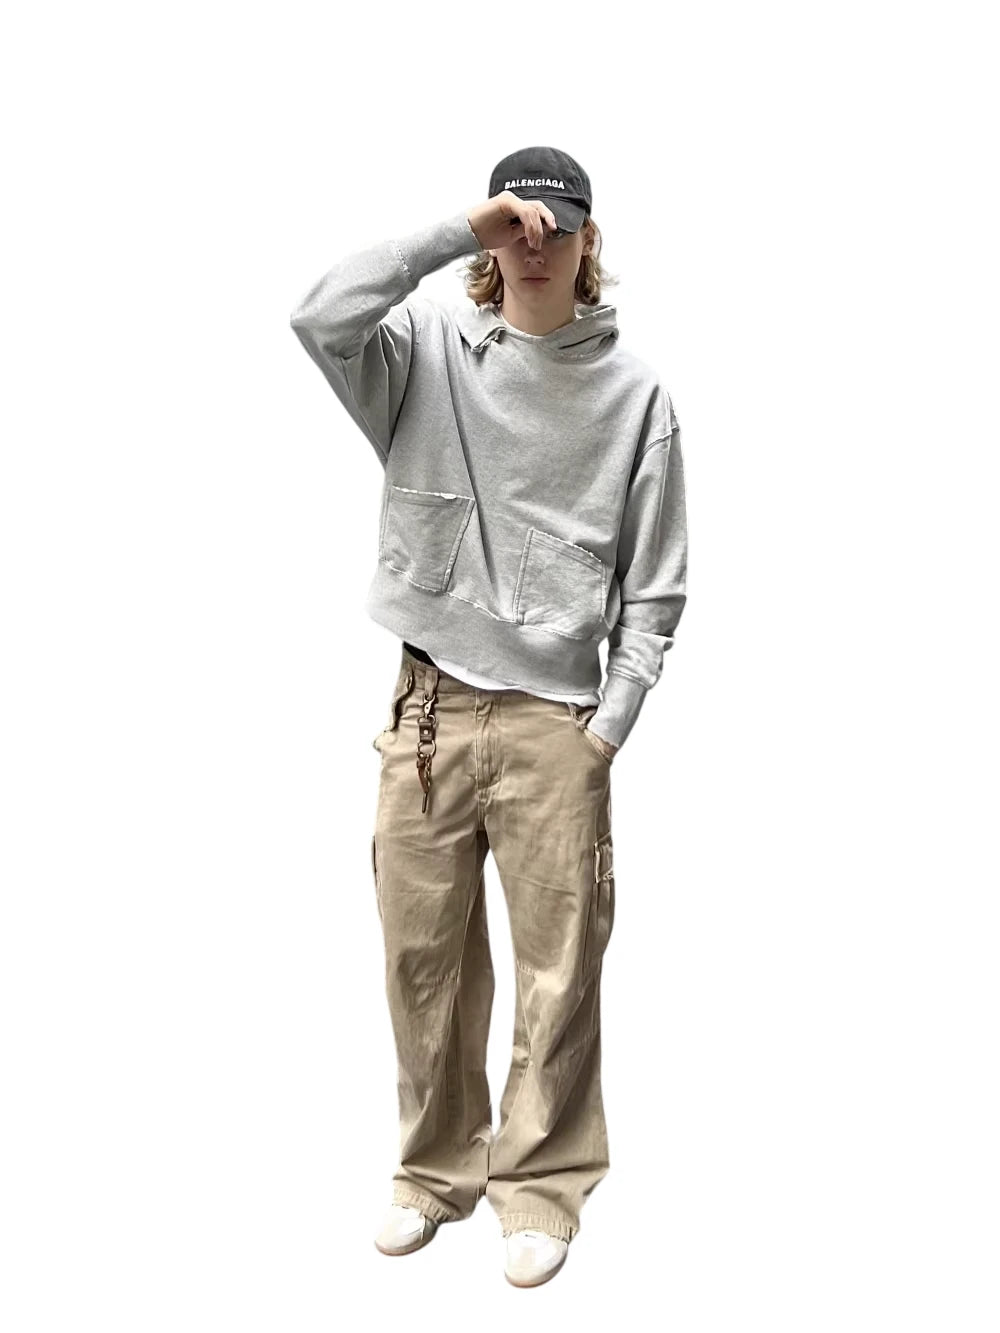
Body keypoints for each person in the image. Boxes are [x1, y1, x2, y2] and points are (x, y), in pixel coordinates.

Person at [289, 145, 688, 1287]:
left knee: (559, 968)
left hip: (556, 720)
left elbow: (655, 586)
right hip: (427, 713)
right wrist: (456, 228)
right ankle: (431, 1174)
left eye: (556, 226)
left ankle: (542, 1185)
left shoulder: (636, 397)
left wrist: (606, 726)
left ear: (588, 240)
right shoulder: (422, 354)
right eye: (516, 225)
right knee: (421, 959)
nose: (534, 243)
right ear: (492, 234)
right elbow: (318, 314)